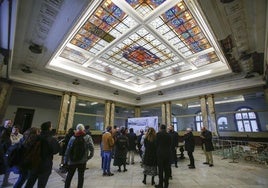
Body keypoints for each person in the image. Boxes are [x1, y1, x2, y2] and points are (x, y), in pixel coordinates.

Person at [25, 121, 60, 188]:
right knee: (41, 184)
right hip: (45, 163)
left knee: (30, 182)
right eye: (51, 126)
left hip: (34, 162)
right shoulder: (51, 139)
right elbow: (55, 151)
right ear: (49, 128)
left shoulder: (35, 137)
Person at [64, 124, 94, 188]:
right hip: (82, 161)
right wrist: (89, 156)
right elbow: (92, 148)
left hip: (72, 161)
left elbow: (68, 150)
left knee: (69, 176)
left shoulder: (72, 137)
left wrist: (65, 160)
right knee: (81, 177)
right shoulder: (87, 137)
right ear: (83, 129)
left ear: (76, 129)